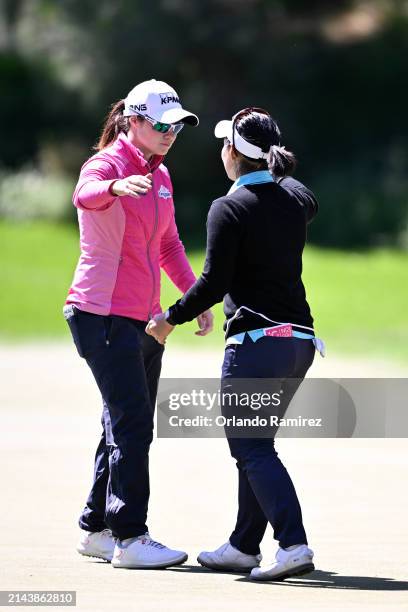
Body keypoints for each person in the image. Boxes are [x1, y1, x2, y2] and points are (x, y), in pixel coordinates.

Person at [147, 107, 322, 581]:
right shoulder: (294, 200)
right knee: (256, 445)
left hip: (256, 344)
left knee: (253, 449)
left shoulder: (228, 207)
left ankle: (293, 545)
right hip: (298, 343)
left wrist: (170, 318)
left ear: (231, 153)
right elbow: (303, 195)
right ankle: (245, 546)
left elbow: (213, 281)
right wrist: (273, 172)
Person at [63, 79, 213, 570]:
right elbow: (83, 194)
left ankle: (95, 528)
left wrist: (196, 300)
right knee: (131, 423)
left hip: (143, 319)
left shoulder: (161, 175)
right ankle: (131, 537)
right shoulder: (107, 164)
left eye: (178, 126)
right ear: (134, 121)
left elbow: (169, 246)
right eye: (162, 125)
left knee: (122, 420)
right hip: (100, 313)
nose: (171, 133)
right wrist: (114, 186)